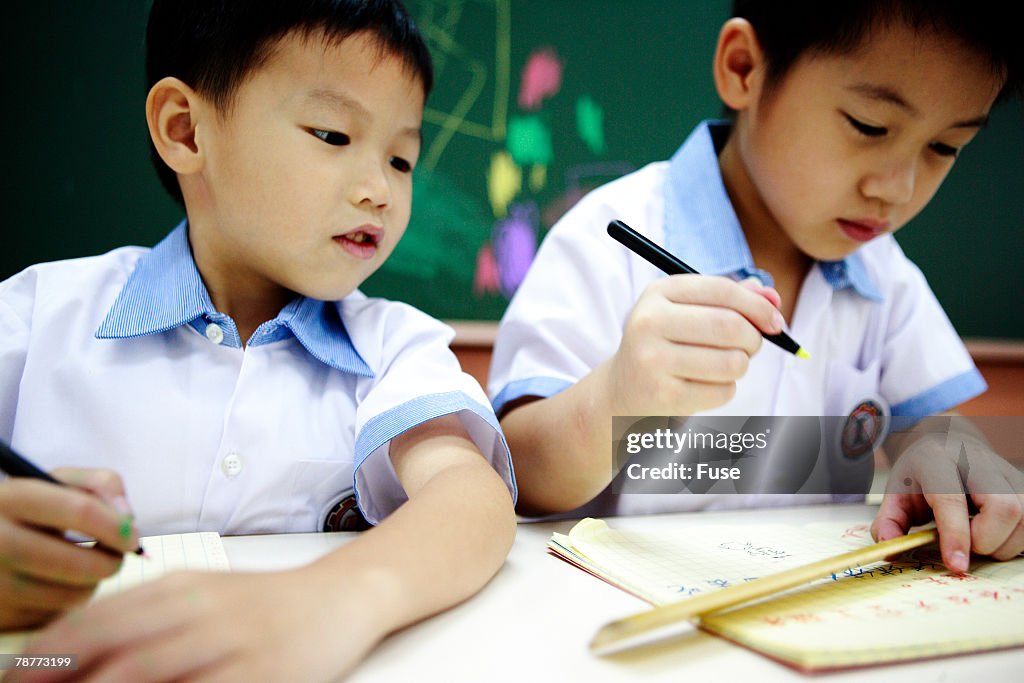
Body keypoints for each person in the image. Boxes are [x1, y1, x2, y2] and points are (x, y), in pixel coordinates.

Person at [0, 1, 516, 680]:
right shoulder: (36, 316)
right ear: (185, 130)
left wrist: (328, 600)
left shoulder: (393, 343)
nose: (379, 191)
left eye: (401, 159)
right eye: (333, 135)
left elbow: (470, 498)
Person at [490, 0, 1022, 573]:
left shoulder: (881, 271)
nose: (897, 188)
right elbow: (519, 468)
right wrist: (615, 397)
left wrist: (946, 453)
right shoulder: (609, 236)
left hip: (814, 619)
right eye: (869, 126)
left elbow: (928, 422)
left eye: (945, 147)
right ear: (744, 68)